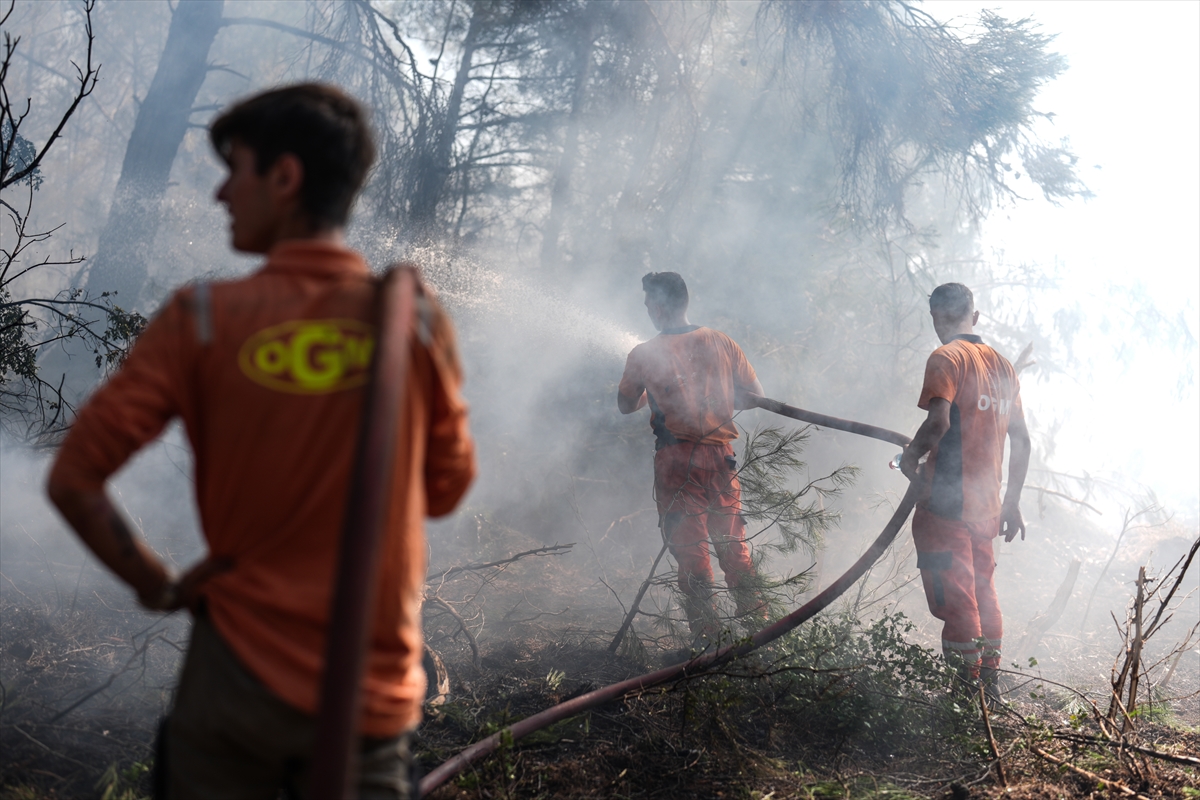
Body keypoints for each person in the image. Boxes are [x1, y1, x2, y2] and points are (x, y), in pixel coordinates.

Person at [46, 83, 475, 798]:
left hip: (231, 691)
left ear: (285, 177)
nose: (220, 193)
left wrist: (159, 585)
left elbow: (73, 479)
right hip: (365, 691)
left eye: (234, 169)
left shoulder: (203, 318)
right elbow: (446, 490)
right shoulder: (414, 320)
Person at [617, 272, 766, 645]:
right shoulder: (722, 342)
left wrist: (652, 392)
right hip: (722, 460)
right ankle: (761, 633)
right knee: (734, 548)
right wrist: (715, 398)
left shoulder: (643, 354)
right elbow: (755, 396)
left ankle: (708, 643)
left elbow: (625, 404)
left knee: (691, 554)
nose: (647, 310)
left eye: (648, 303)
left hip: (676, 463)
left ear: (659, 306)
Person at [899, 283, 1029, 700]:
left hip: (946, 508)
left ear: (936, 318)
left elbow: (938, 423)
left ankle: (964, 696)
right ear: (974, 317)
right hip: (986, 509)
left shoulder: (946, 357)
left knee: (956, 600)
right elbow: (1022, 441)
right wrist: (1011, 503)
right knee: (983, 594)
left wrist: (909, 458)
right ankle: (988, 688)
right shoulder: (1003, 367)